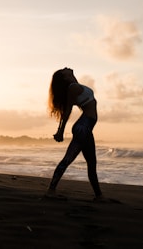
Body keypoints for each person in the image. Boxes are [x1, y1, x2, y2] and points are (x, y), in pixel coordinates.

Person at [46, 67, 103, 200]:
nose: (66, 67)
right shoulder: (73, 87)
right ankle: (50, 191)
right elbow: (67, 112)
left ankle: (99, 196)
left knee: (90, 163)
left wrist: (60, 131)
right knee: (69, 160)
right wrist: (60, 131)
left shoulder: (74, 85)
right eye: (64, 70)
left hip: (85, 128)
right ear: (65, 77)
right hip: (83, 127)